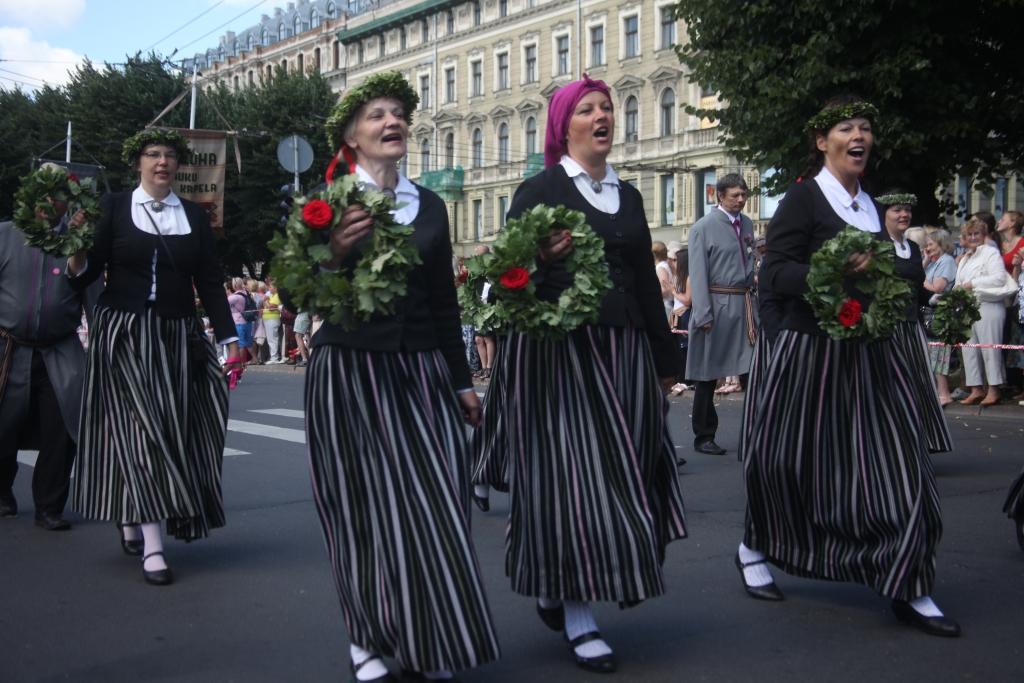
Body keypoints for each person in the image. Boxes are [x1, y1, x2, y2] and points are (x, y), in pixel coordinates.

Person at [474, 75, 687, 672]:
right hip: (560, 355)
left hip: (624, 352)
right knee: (574, 479)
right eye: (588, 109)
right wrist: (539, 260)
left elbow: (643, 283)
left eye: (607, 107)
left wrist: (664, 360)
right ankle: (576, 609)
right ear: (563, 126)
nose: (602, 116)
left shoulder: (631, 197)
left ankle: (559, 577)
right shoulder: (539, 191)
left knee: (629, 470)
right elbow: (503, 282)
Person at [738, 96, 959, 637]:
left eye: (865, 128)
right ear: (823, 141)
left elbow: (882, 277)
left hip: (873, 351)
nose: (858, 135)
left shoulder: (872, 206)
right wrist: (832, 270)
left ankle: (909, 582)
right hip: (812, 351)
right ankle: (755, 545)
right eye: (845, 127)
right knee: (787, 461)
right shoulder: (803, 199)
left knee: (901, 463)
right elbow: (775, 275)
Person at [307, 71, 499, 682]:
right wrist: (334, 252)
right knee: (362, 510)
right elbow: (300, 291)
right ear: (351, 136)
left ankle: (429, 639)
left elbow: (443, 303)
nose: (392, 122)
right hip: (350, 370)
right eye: (376, 115)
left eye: (398, 113)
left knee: (438, 505)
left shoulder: (430, 205)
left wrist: (463, 382)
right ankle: (365, 637)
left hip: (421, 372)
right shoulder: (326, 202)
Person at [67, 129, 239, 586]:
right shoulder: (114, 207)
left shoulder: (195, 217)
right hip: (123, 333)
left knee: (170, 428)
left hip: (176, 335)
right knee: (141, 431)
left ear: (178, 165)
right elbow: (84, 275)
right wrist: (76, 249)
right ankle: (154, 545)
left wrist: (229, 339)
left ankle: (132, 513)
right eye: (152, 154)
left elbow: (209, 281)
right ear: (138, 162)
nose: (162, 161)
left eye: (169, 155)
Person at [0, 167, 98, 530]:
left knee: (62, 431)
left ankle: (49, 506)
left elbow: (95, 300)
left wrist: (105, 348)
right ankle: (2, 494)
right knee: (3, 426)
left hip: (61, 351)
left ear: (67, 201)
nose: (48, 201)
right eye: (42, 192)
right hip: (8, 348)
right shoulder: (5, 235)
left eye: (57, 195)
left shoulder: (80, 241)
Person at [686, 173, 756, 455]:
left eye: (744, 195)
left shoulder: (747, 224)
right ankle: (704, 435)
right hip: (715, 305)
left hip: (744, 306)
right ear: (720, 196)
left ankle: (756, 431)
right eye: (735, 195)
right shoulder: (702, 228)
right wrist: (703, 313)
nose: (741, 200)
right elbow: (698, 273)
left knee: (752, 369)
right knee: (707, 372)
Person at [876, 192, 952, 452]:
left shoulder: (911, 248)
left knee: (918, 384)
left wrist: (943, 301)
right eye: (897, 209)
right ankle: (890, 446)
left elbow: (919, 289)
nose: (904, 214)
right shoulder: (876, 244)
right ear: (885, 213)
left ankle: (917, 444)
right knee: (891, 388)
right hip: (886, 328)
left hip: (911, 326)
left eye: (907, 210)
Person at [955, 219, 1006, 406]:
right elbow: (958, 282)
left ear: (984, 235)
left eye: (976, 233)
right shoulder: (966, 257)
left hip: (988, 305)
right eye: (969, 234)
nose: (973, 237)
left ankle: (994, 389)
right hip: (968, 307)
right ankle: (976, 389)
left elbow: (999, 278)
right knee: (969, 349)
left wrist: (973, 283)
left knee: (989, 348)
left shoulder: (991, 253)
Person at [922, 229, 958, 405]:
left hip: (940, 312)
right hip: (929, 311)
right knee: (931, 353)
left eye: (930, 244)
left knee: (939, 353)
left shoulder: (947, 261)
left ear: (941, 244)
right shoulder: (933, 262)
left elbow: (938, 287)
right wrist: (925, 261)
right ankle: (937, 391)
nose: (927, 248)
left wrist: (922, 281)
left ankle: (944, 393)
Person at [652, 240, 675, 321]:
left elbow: (665, 289)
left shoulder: (660, 267)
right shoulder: (665, 265)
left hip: (666, 304)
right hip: (669, 303)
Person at [263, 277, 284, 363]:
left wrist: (266, 301)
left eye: (271, 287)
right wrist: (266, 300)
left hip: (272, 319)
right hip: (268, 319)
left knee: (272, 339)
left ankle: (274, 357)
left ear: (275, 288)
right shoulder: (271, 295)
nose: (269, 288)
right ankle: (273, 356)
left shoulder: (277, 295)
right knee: (270, 339)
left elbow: (271, 307)